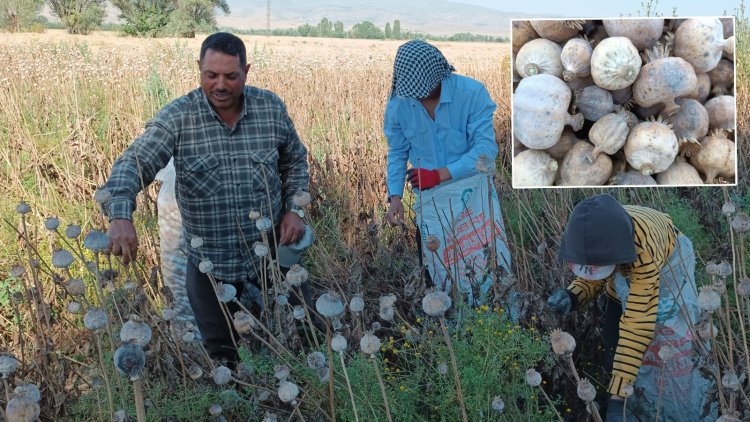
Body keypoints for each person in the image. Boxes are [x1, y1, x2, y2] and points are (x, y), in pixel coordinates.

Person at [102, 32, 310, 366]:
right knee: (223, 360)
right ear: (199, 68)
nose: (221, 85)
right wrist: (120, 215)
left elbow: (295, 161)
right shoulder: (179, 118)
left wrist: (295, 210)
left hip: (271, 255)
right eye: (211, 75)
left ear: (247, 71)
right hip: (209, 267)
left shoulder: (270, 109)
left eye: (231, 76)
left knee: (300, 336)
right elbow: (133, 163)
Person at [547, 194, 716, 422]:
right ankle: (635, 399)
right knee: (613, 347)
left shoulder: (643, 252)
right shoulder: (594, 233)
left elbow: (636, 325)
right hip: (623, 258)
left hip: (669, 264)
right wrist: (573, 295)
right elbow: (596, 270)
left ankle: (675, 404)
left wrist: (618, 401)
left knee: (671, 339)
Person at [383, 39, 510, 304]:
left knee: (486, 263)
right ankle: (450, 326)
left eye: (423, 90)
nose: (418, 97)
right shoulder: (399, 104)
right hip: (430, 201)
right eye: (412, 93)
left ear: (439, 76)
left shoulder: (472, 94)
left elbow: (485, 150)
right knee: (437, 269)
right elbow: (397, 152)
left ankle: (492, 314)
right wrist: (394, 196)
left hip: (473, 193)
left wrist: (440, 174)